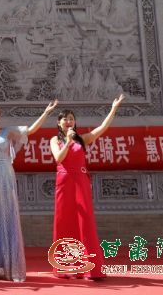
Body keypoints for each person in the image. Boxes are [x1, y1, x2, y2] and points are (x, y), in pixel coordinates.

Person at [0, 99, 58, 282]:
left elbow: (30, 130)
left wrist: (46, 113)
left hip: (5, 175)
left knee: (6, 216)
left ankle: (9, 265)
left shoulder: (8, 132)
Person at [50, 94, 125, 280]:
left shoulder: (82, 139)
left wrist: (113, 109)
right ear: (59, 123)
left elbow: (102, 128)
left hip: (81, 182)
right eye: (65, 119)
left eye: (71, 119)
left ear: (75, 122)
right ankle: (66, 266)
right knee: (64, 221)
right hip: (64, 182)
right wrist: (68, 142)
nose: (69, 121)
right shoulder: (55, 140)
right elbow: (59, 158)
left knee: (85, 221)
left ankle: (90, 268)